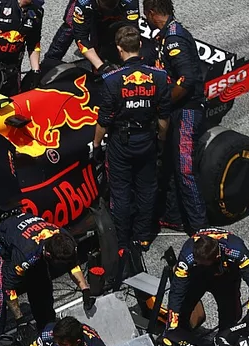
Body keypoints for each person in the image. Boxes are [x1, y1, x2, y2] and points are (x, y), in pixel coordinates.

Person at [94, 26, 170, 286]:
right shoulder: (159, 77)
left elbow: (103, 121)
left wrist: (95, 145)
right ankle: (143, 237)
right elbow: (163, 117)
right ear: (140, 46)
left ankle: (122, 242)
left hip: (121, 143)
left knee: (121, 193)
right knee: (147, 189)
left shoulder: (112, 80)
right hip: (146, 140)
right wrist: (160, 140)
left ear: (118, 48)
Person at [0, 210, 94, 346]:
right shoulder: (26, 255)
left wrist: (85, 289)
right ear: (48, 254)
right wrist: (20, 321)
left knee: (42, 289)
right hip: (2, 241)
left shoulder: (65, 240)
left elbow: (72, 264)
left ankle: (46, 332)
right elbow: (9, 288)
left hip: (31, 240)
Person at [143, 0, 207, 233]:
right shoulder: (166, 35)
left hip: (188, 109)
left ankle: (200, 230)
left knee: (184, 168)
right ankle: (174, 217)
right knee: (169, 163)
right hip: (176, 109)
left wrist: (163, 104)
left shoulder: (174, 39)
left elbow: (187, 80)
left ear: (151, 13)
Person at [166, 229, 249, 332]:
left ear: (217, 256)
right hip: (197, 277)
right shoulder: (187, 255)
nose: (196, 262)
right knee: (182, 308)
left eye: (201, 262)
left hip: (226, 279)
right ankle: (182, 331)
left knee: (230, 317)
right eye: (196, 261)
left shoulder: (236, 250)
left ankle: (224, 337)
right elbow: (177, 290)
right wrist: (172, 324)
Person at [73, 0, 140, 72]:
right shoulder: (83, 3)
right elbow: (81, 37)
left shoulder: (130, 2)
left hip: (120, 14)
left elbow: (132, 31)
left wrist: (132, 62)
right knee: (97, 45)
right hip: (95, 15)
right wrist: (101, 66)